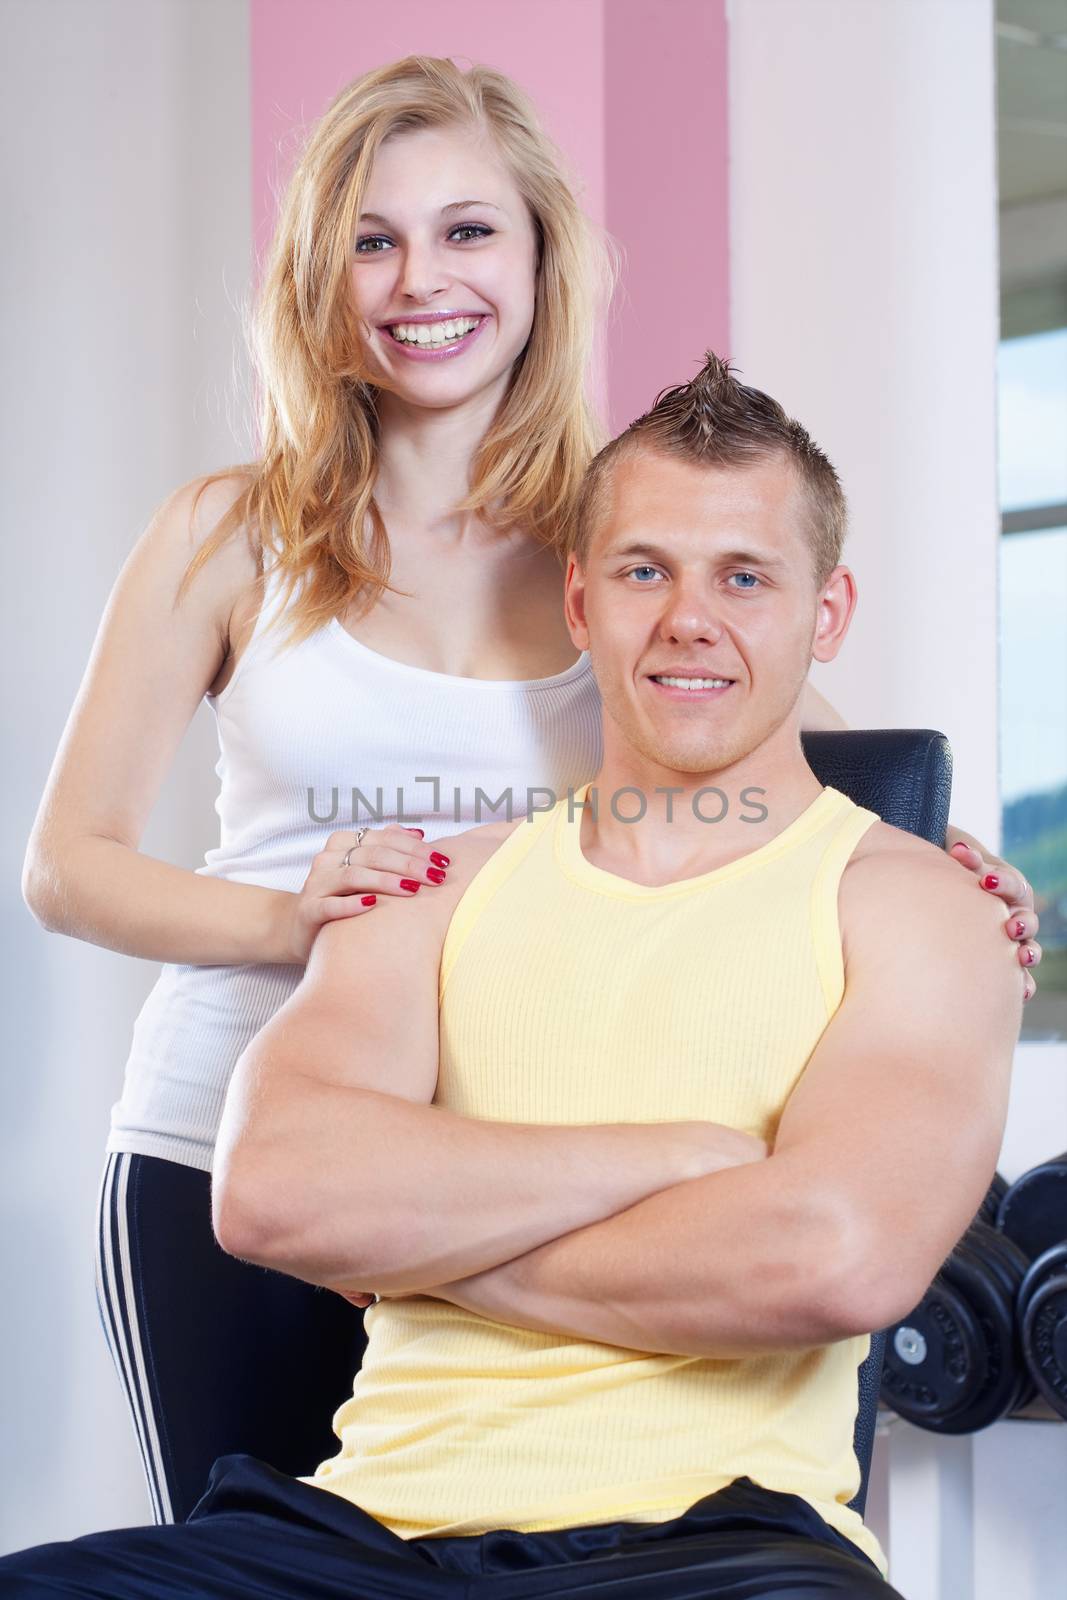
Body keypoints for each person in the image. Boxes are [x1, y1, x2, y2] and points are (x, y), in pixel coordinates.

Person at [21, 56, 1039, 1533]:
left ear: (542, 256)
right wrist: (297, 918)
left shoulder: (617, 543)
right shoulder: (232, 532)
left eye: (467, 231)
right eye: (372, 240)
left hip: (517, 1154)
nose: (420, 279)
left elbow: (802, 773)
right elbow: (68, 862)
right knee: (247, 1565)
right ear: (322, 275)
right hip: (223, 1153)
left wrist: (948, 872)